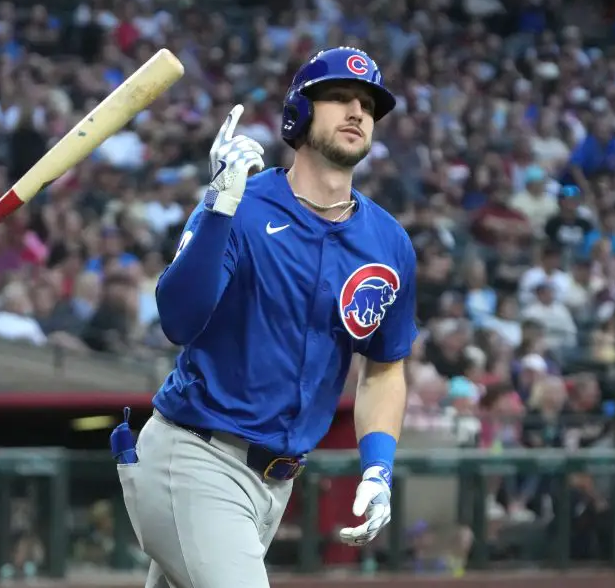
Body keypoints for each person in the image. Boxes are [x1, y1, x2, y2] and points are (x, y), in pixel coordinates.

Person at [113, 47, 417, 588]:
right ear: (298, 113)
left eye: (368, 104)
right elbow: (177, 322)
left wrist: (378, 466)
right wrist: (218, 207)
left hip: (276, 484)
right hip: (195, 457)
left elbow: (384, 368)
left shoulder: (387, 241)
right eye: (338, 98)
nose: (357, 110)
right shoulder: (242, 203)